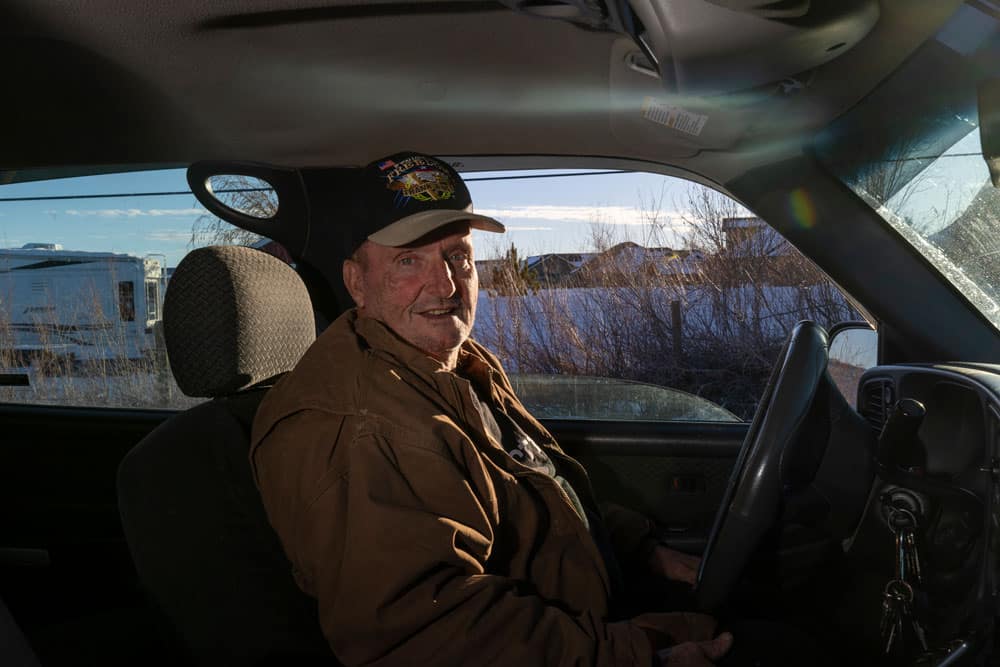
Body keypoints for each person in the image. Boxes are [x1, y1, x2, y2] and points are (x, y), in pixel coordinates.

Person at [249, 151, 734, 666]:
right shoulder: (357, 428)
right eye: (409, 260)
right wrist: (639, 656)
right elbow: (425, 634)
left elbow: (526, 494)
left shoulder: (446, 367)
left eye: (458, 256)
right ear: (357, 282)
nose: (447, 286)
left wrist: (639, 550)